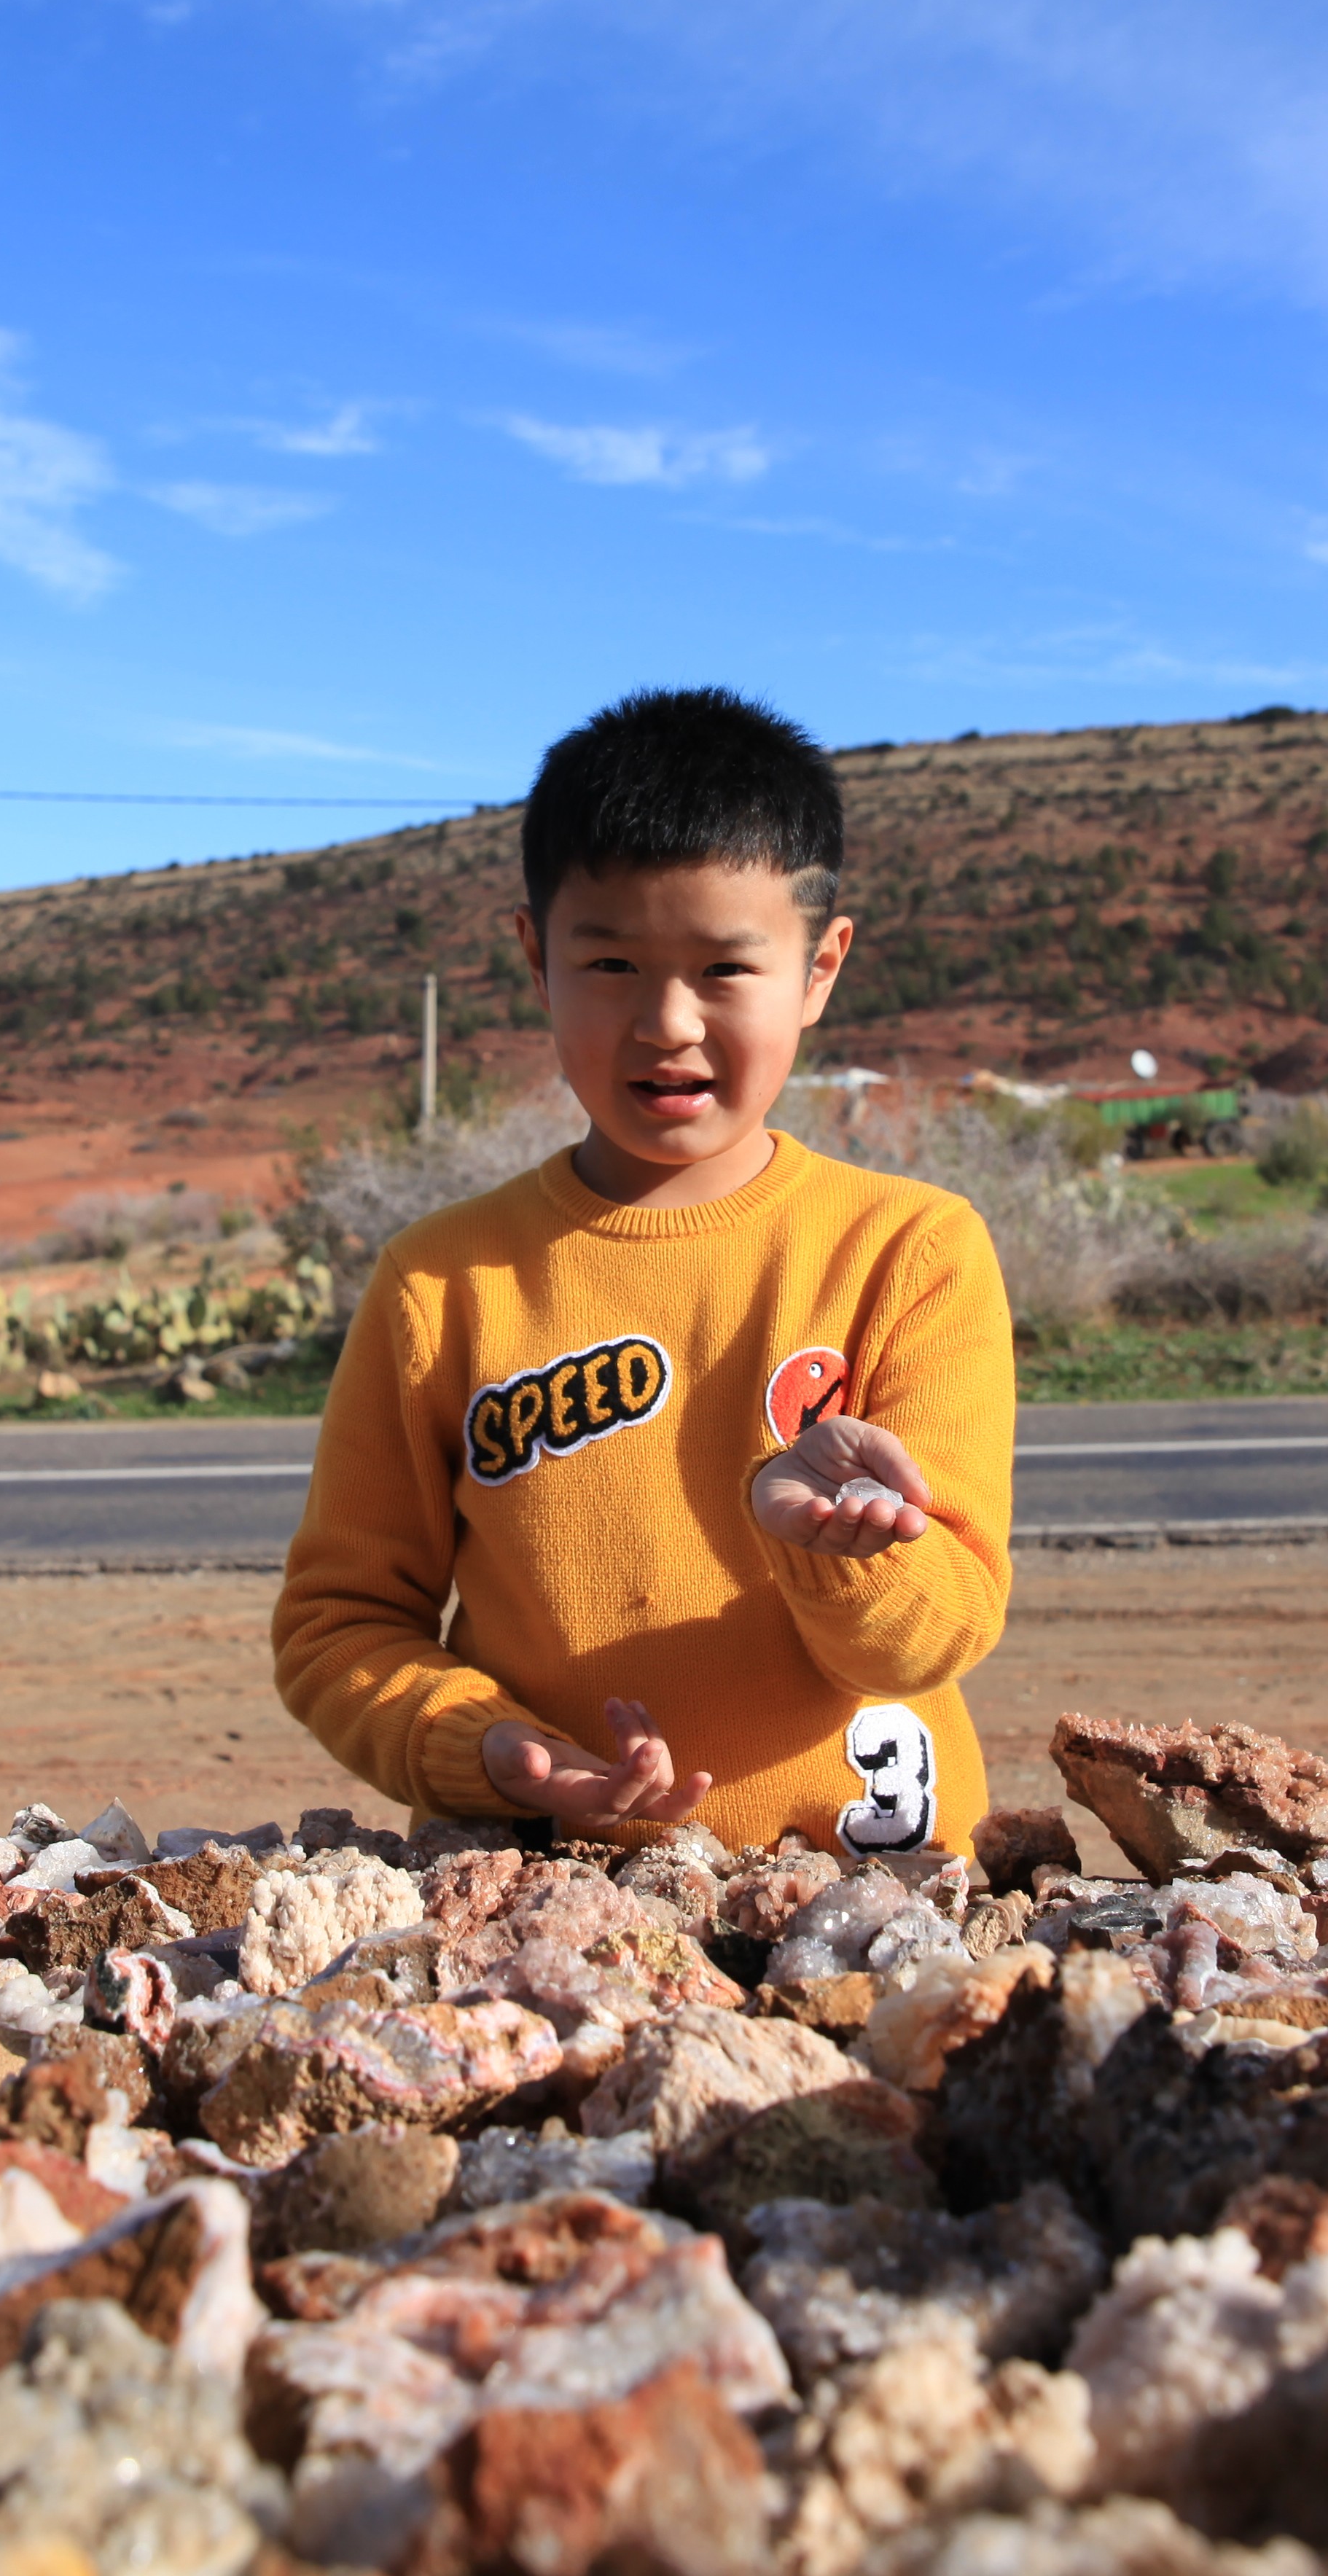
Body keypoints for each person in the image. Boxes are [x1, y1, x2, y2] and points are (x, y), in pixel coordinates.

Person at [270, 686, 1015, 1855]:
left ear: (820, 969)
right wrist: (491, 1753)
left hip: (877, 1891)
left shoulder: (907, 1250)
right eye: (612, 961)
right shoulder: (443, 1284)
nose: (668, 1022)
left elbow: (940, 1633)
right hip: (544, 1895)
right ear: (538, 959)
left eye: (725, 969)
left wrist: (830, 1551)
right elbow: (340, 1626)